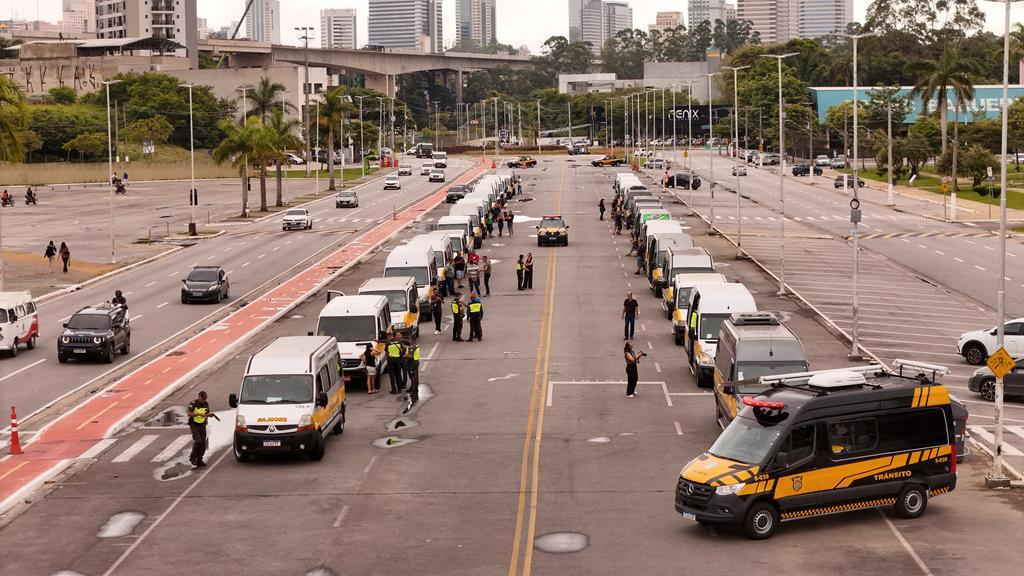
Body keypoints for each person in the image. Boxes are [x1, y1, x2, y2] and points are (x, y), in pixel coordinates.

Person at [188, 390, 218, 467]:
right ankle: (192, 457)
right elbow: (189, 413)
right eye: (203, 398)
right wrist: (199, 414)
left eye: (205, 398)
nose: (204, 400)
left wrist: (209, 415)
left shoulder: (206, 404)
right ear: (199, 397)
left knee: (203, 443)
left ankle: (199, 459)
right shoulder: (193, 403)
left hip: (202, 425)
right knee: (198, 441)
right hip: (194, 424)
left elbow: (206, 413)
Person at [405, 334, 421, 407]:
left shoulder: (411, 347)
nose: (408, 340)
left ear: (412, 339)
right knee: (416, 375)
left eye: (409, 339)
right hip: (416, 361)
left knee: (413, 376)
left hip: (412, 362)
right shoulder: (416, 345)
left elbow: (410, 356)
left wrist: (404, 356)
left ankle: (414, 389)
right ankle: (415, 387)